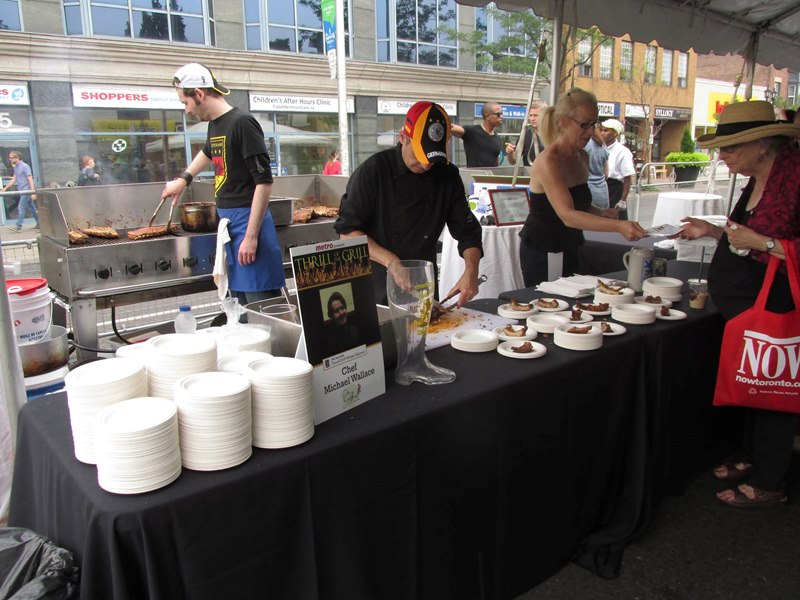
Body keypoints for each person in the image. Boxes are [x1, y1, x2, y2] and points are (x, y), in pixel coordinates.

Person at [678, 100, 800, 509]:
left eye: (730, 147)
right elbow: (744, 236)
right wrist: (714, 230)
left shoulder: (796, 177)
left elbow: (765, 242)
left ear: (763, 143)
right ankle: (753, 456)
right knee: (753, 381)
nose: (722, 155)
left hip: (778, 299)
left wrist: (764, 244)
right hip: (746, 301)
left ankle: (771, 481)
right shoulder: (757, 177)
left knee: (773, 385)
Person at [334, 100, 483, 306]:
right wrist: (392, 262)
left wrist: (471, 272)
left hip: (424, 284)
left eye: (432, 158)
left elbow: (468, 232)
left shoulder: (447, 175)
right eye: (419, 155)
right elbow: (347, 233)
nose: (425, 165)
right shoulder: (373, 171)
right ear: (403, 137)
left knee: (430, 336)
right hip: (377, 285)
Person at [161, 63, 285, 306]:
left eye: (184, 103)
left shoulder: (243, 123)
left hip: (249, 225)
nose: (186, 111)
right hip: (230, 228)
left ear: (199, 93)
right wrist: (183, 180)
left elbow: (264, 182)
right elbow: (208, 152)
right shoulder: (216, 125)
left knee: (263, 311)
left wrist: (251, 237)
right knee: (238, 310)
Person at [518, 88, 647, 287]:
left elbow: (578, 204)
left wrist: (601, 213)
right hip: (544, 247)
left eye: (594, 124)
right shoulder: (548, 162)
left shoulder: (582, 156)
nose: (590, 131)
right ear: (562, 121)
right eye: (584, 124)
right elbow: (568, 215)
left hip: (571, 243)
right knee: (548, 309)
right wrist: (619, 226)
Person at [451, 101, 515, 167]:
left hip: (490, 176)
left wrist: (510, 153)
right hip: (474, 176)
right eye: (498, 114)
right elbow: (451, 127)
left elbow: (497, 164)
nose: (501, 116)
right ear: (487, 116)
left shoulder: (497, 138)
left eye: (502, 114)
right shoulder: (472, 131)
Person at [598, 118, 636, 210]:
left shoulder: (623, 151)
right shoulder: (598, 147)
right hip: (600, 185)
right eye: (601, 130)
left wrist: (623, 200)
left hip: (614, 188)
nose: (602, 133)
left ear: (615, 133)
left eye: (606, 130)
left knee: (613, 220)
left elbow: (627, 178)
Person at [3, 151, 39, 232]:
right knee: (32, 208)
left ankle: (18, 225)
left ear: (17, 158)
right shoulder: (16, 167)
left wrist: (32, 192)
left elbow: (30, 179)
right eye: (9, 158)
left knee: (21, 207)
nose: (10, 159)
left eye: (11, 157)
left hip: (26, 191)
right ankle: (40, 223)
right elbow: (14, 179)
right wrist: (5, 188)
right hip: (22, 190)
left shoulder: (25, 166)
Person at [506, 100, 547, 166]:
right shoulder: (525, 135)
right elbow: (513, 161)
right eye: (530, 115)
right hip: (529, 173)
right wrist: (510, 153)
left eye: (536, 115)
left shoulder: (553, 134)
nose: (532, 119)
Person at [325, 291, 361, 356]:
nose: (341, 313)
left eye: (342, 308)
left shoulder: (355, 331)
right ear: (331, 315)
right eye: (336, 311)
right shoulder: (329, 341)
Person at [584, 128, 610, 209]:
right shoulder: (602, 144)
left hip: (588, 192)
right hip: (603, 193)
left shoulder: (582, 145)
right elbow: (606, 175)